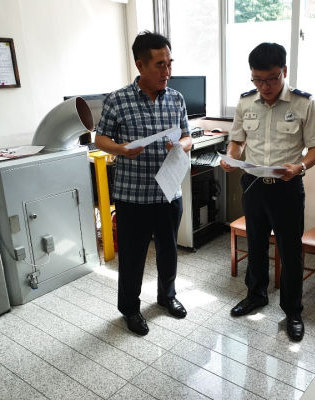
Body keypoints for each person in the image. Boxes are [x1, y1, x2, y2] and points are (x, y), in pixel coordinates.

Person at [220, 42, 315, 341]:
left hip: (287, 188)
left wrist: (300, 167)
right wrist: (232, 157)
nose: (264, 86)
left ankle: (293, 311)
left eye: (271, 79)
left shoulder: (304, 103)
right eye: (257, 79)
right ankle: (256, 296)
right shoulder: (246, 102)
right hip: (254, 186)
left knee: (290, 251)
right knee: (255, 244)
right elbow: (237, 140)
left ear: (284, 71)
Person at [95, 31, 192, 336]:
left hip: (168, 193)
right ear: (140, 65)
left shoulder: (176, 99)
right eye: (160, 64)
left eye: (170, 63)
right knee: (133, 257)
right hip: (133, 197)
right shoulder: (117, 100)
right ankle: (130, 309)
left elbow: (188, 136)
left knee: (168, 251)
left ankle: (167, 297)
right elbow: (100, 138)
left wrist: (181, 146)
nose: (167, 71)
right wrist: (121, 149)